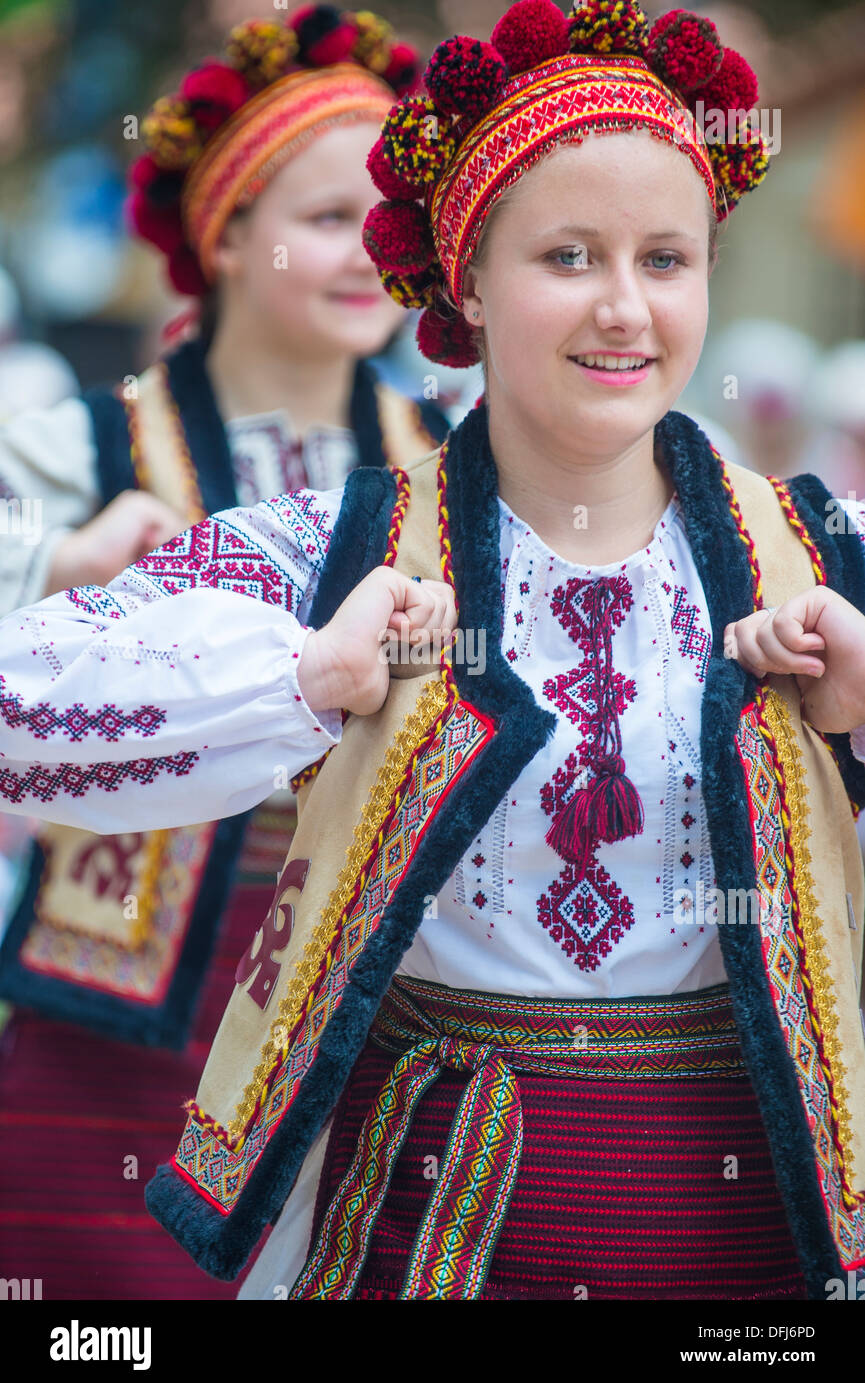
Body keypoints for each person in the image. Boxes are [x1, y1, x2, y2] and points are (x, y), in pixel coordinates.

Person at [1, 0, 864, 1301]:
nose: (625, 307)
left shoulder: (820, 551)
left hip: (750, 1245)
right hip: (436, 1222)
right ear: (462, 279)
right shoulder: (337, 544)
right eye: (567, 256)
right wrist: (302, 683)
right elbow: (24, 696)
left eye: (666, 259)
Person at [0, 4, 450, 1300]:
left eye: (386, 219)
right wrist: (59, 565)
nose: (368, 250)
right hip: (114, 1006)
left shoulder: (463, 453)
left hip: (369, 987)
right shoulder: (85, 444)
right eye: (323, 218)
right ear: (227, 232)